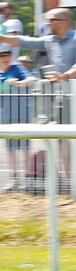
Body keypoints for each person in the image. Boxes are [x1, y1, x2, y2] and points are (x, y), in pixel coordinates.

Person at [0, 8, 76, 189]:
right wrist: (3, 38)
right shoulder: (50, 40)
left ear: (62, 21)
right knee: (62, 138)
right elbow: (24, 41)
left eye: (50, 20)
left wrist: (65, 76)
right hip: (63, 96)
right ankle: (71, 182)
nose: (47, 24)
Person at [0, 43, 37, 193]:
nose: (5, 58)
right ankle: (14, 178)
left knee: (25, 148)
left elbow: (32, 79)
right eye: (2, 56)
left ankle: (27, 179)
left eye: (7, 55)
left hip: (23, 115)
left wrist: (20, 83)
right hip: (7, 116)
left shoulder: (18, 68)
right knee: (11, 149)